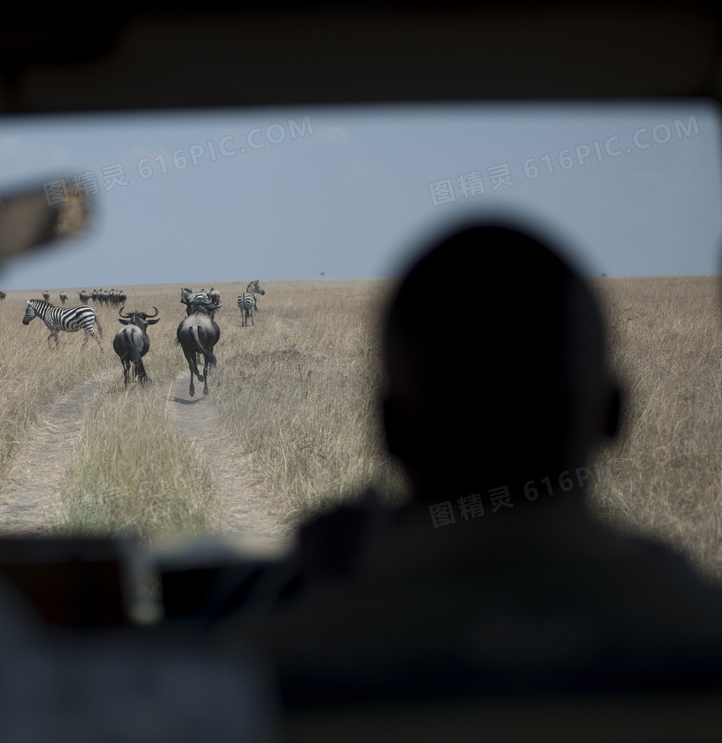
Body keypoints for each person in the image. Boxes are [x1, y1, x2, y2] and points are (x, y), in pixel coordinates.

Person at [229, 221, 722, 706]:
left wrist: (325, 596)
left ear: (388, 430)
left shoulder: (254, 679)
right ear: (615, 414)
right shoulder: (699, 626)